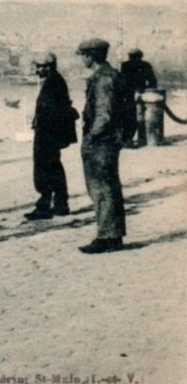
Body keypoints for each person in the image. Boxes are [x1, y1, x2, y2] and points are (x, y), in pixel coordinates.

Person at [77, 38, 130, 254]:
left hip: (102, 142)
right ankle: (111, 234)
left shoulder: (103, 79)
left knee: (102, 188)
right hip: (108, 140)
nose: (82, 59)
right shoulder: (109, 76)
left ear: (90, 56)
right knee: (106, 187)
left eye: (82, 55)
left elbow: (104, 115)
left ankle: (108, 236)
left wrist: (91, 136)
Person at [23, 52, 78, 220]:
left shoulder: (54, 82)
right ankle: (60, 205)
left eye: (40, 67)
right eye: (37, 66)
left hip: (47, 134)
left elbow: (54, 110)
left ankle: (45, 206)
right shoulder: (55, 81)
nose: (37, 70)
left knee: (44, 170)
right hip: (49, 133)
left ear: (49, 66)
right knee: (53, 168)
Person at [120, 48, 158, 148]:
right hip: (142, 92)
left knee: (128, 117)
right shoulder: (146, 65)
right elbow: (152, 80)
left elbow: (122, 81)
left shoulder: (125, 65)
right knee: (141, 116)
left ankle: (127, 139)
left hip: (127, 94)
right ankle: (143, 138)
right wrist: (150, 91)